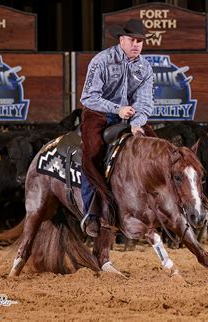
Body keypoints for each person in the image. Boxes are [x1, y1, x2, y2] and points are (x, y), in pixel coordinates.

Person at [79, 19, 156, 237]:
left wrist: (136, 123)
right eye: (133, 40)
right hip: (98, 114)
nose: (137, 45)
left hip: (130, 116)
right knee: (92, 152)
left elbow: (145, 101)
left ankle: (154, 205)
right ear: (122, 40)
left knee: (155, 147)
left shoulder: (145, 67)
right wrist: (117, 109)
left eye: (140, 41)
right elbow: (89, 97)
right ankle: (91, 212)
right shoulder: (102, 60)